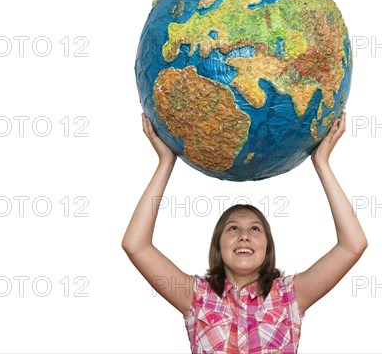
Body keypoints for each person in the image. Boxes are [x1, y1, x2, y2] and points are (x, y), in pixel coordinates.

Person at [122, 112, 368, 353]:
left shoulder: (291, 296)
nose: (244, 235)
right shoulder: (196, 297)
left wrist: (322, 163)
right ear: (218, 245)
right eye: (233, 228)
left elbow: (353, 245)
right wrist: (165, 162)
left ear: (267, 247)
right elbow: (136, 245)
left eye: (255, 229)